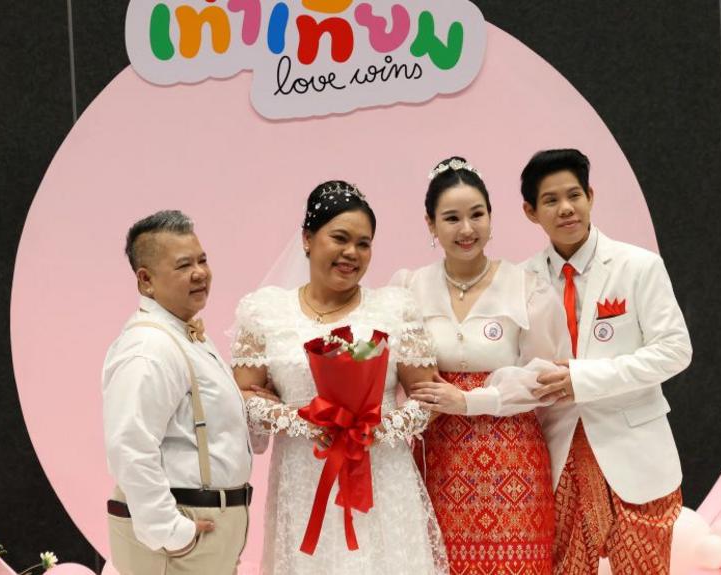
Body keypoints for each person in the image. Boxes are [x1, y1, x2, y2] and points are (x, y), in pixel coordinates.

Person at [229, 181, 449, 574]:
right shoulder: (264, 311)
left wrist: (380, 428)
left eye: (364, 243)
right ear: (307, 239)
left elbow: (428, 396)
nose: (352, 253)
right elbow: (243, 396)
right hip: (304, 474)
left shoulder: (394, 307)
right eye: (340, 238)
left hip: (382, 474)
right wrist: (297, 420)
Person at [519, 149, 692, 574]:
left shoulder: (638, 267)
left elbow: (674, 350)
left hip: (634, 449)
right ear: (530, 211)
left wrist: (583, 379)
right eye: (550, 200)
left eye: (574, 195)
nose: (566, 208)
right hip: (557, 454)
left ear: (591, 196)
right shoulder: (518, 280)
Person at [392, 157, 565, 574]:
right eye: (451, 218)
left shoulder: (528, 288)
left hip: (514, 461)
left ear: (491, 217)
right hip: (440, 460)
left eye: (477, 215)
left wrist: (468, 399)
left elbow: (547, 379)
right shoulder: (408, 289)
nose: (466, 229)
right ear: (431, 225)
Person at [103, 210, 254, 575]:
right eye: (184, 265)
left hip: (205, 531)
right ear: (146, 280)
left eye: (202, 259)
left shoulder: (183, 334)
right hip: (182, 538)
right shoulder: (149, 346)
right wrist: (172, 533)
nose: (200, 272)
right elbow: (130, 445)